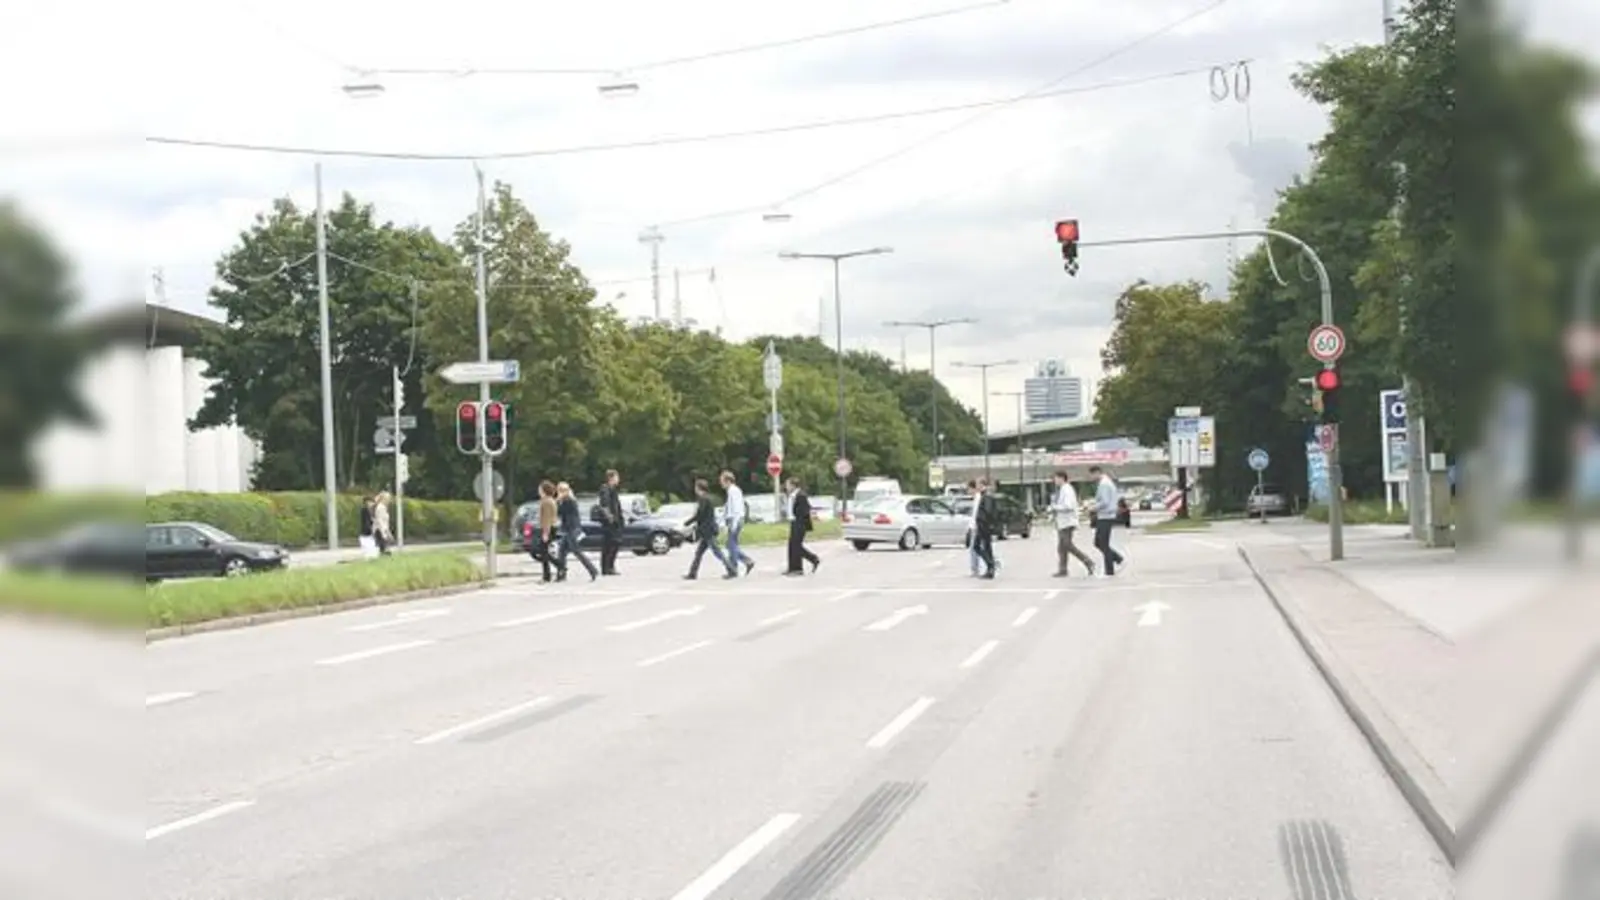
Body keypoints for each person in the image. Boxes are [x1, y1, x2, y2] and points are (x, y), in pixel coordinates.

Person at [683, 478, 736, 580]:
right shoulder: (707, 499)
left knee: (717, 552)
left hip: (708, 531)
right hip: (707, 531)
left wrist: (688, 522)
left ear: (699, 488)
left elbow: (700, 515)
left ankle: (731, 570)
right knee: (699, 553)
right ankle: (692, 573)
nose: (695, 489)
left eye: (696, 487)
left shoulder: (704, 500)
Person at [1049, 471, 1095, 577]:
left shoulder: (1067, 489)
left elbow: (1068, 506)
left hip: (1067, 522)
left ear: (1062, 478)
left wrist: (1055, 507)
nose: (1054, 481)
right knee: (1061, 547)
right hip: (1062, 522)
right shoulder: (1062, 490)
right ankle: (1063, 569)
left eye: (1055, 478)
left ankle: (1088, 561)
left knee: (1067, 545)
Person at [555, 481, 598, 581]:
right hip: (568, 530)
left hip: (572, 529)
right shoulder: (566, 501)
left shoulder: (569, 501)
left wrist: (558, 500)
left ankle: (592, 570)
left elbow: (559, 512)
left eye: (561, 491)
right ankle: (561, 574)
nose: (559, 493)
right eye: (559, 491)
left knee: (576, 551)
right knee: (561, 552)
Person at [1089, 466, 1127, 576]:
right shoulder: (1105, 482)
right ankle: (1118, 559)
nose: (1091, 478)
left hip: (1106, 516)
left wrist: (1093, 507)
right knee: (1099, 542)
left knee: (1102, 543)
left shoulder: (1104, 484)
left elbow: (1105, 502)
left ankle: (1110, 569)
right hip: (1105, 515)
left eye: (1091, 475)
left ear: (1097, 473)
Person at [719, 470, 756, 576]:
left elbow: (736, 508)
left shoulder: (733, 491)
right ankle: (747, 561)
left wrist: (734, 523)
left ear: (727, 481)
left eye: (722, 481)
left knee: (731, 545)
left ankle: (734, 569)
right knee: (730, 545)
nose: (721, 483)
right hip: (734, 519)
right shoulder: (732, 491)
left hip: (735, 519)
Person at [784, 476, 820, 575]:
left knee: (796, 546)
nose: (786, 487)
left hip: (800, 523)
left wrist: (798, 521)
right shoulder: (792, 495)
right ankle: (793, 568)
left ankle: (811, 560)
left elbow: (805, 511)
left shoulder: (801, 495)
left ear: (793, 485)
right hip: (793, 522)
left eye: (787, 484)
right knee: (792, 546)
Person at [595, 469, 625, 576]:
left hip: (613, 521)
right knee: (612, 544)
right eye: (617, 477)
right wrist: (611, 519)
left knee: (609, 544)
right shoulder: (606, 489)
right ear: (611, 478)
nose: (618, 479)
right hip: (610, 523)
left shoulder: (612, 489)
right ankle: (608, 567)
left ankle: (607, 567)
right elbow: (605, 505)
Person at [531, 480, 559, 583]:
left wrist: (545, 533)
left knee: (543, 552)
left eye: (540, 488)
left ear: (544, 490)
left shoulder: (546, 502)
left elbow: (546, 518)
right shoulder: (550, 500)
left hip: (548, 528)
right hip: (550, 527)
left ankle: (549, 574)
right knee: (544, 552)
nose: (538, 490)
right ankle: (554, 570)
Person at [972, 479, 999, 579]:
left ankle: (991, 565)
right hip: (984, 524)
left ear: (982, 485)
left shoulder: (986, 496)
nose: (977, 487)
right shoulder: (985, 495)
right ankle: (990, 568)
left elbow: (988, 511)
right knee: (986, 547)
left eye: (978, 485)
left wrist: (982, 520)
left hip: (984, 525)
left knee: (978, 546)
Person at [372, 491, 393, 556]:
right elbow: (380, 521)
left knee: (385, 550)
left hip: (382, 530)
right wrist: (384, 533)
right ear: (384, 499)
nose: (389, 501)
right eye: (388, 499)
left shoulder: (383, 508)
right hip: (380, 530)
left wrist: (388, 532)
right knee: (384, 550)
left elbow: (385, 522)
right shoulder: (380, 508)